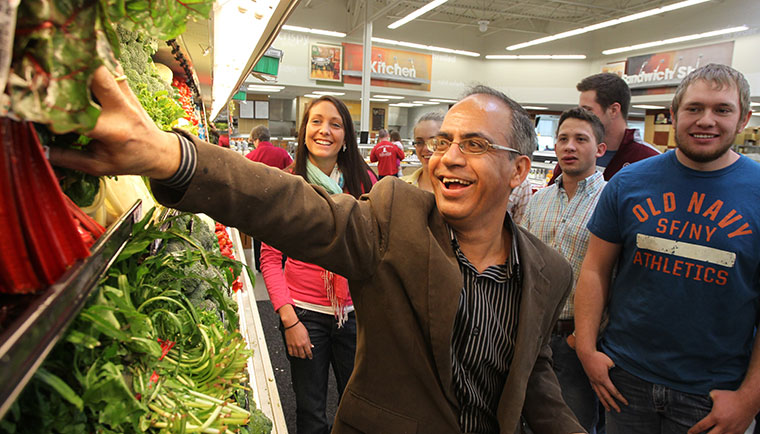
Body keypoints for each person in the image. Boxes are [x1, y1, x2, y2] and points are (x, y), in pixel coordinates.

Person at [51, 69, 584, 434]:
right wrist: (170, 156)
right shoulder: (398, 218)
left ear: (519, 171)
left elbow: (533, 378)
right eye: (443, 143)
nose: (447, 159)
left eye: (474, 145)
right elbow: (291, 207)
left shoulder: (547, 270)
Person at [574, 63, 760, 434]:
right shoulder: (629, 182)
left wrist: (750, 399)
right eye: (694, 108)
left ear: (743, 119)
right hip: (624, 379)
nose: (705, 120)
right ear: (673, 114)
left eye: (722, 109)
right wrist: (586, 348)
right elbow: (595, 269)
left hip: (711, 394)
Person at [260, 96, 376, 434]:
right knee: (310, 411)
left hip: (355, 315)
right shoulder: (287, 184)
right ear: (304, 130)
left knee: (358, 406)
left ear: (346, 135)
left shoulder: (364, 183)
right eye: (316, 122)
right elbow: (269, 257)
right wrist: (288, 318)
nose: (324, 130)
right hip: (303, 315)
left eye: (335, 124)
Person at [523, 107, 607, 432]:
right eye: (563, 139)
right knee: (530, 419)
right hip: (535, 334)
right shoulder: (538, 200)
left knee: (576, 423)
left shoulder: (611, 199)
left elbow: (616, 278)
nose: (569, 146)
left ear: (600, 149)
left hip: (580, 341)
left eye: (580, 139)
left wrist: (582, 337)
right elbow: (526, 263)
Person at [548, 72, 659, 185]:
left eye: (588, 110)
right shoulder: (574, 154)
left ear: (614, 110)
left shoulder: (649, 160)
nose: (582, 116)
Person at [244, 125, 293, 270]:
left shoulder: (249, 158)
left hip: (258, 205)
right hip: (280, 203)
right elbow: (293, 175)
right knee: (280, 234)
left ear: (256, 140)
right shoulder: (282, 153)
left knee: (260, 235)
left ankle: (260, 265)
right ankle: (282, 261)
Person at [402, 112, 443, 192]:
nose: (426, 148)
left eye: (434, 142)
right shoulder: (402, 186)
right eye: (419, 142)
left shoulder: (459, 189)